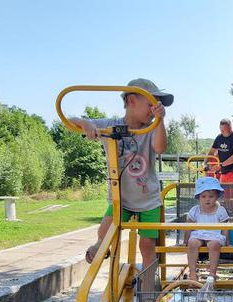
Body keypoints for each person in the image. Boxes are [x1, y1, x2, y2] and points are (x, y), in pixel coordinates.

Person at [71, 78, 173, 267]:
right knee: (106, 229)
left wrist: (160, 121)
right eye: (151, 105)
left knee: (147, 246)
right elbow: (69, 122)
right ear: (131, 101)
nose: (153, 111)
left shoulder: (151, 128)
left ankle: (148, 293)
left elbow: (160, 148)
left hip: (148, 200)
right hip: (121, 199)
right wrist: (85, 123)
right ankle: (100, 245)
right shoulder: (110, 126)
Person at [184, 177, 229, 281]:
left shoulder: (220, 210)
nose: (207, 199)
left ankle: (212, 273)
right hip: (199, 234)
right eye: (203, 196)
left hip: (214, 235)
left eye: (211, 196)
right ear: (198, 197)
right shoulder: (195, 210)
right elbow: (188, 226)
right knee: (192, 243)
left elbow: (225, 227)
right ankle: (192, 272)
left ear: (217, 196)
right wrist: (185, 240)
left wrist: (226, 241)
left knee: (214, 244)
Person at [206, 118, 233, 183]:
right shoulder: (219, 138)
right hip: (223, 173)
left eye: (225, 130)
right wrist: (206, 162)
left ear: (230, 127)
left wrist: (220, 165)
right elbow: (211, 152)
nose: (223, 132)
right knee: (224, 193)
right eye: (222, 130)